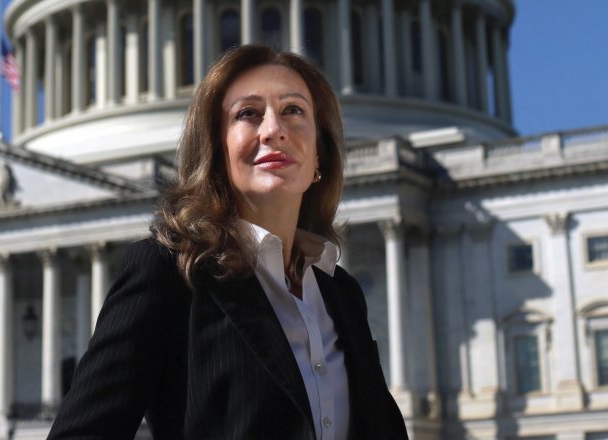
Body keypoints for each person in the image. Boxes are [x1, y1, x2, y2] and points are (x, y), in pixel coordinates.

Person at [47, 45, 408, 440]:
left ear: (319, 154)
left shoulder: (341, 295)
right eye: (247, 114)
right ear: (217, 151)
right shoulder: (169, 273)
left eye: (293, 110)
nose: (274, 129)